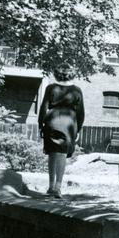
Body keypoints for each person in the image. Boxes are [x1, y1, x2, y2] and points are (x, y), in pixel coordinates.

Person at [38, 67, 85, 198]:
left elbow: (43, 107)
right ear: (72, 74)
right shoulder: (76, 90)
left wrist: (40, 124)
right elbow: (81, 112)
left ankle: (51, 186)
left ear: (57, 74)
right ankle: (58, 187)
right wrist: (78, 129)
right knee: (62, 155)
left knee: (52, 154)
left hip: (52, 121)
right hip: (69, 123)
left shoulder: (51, 88)